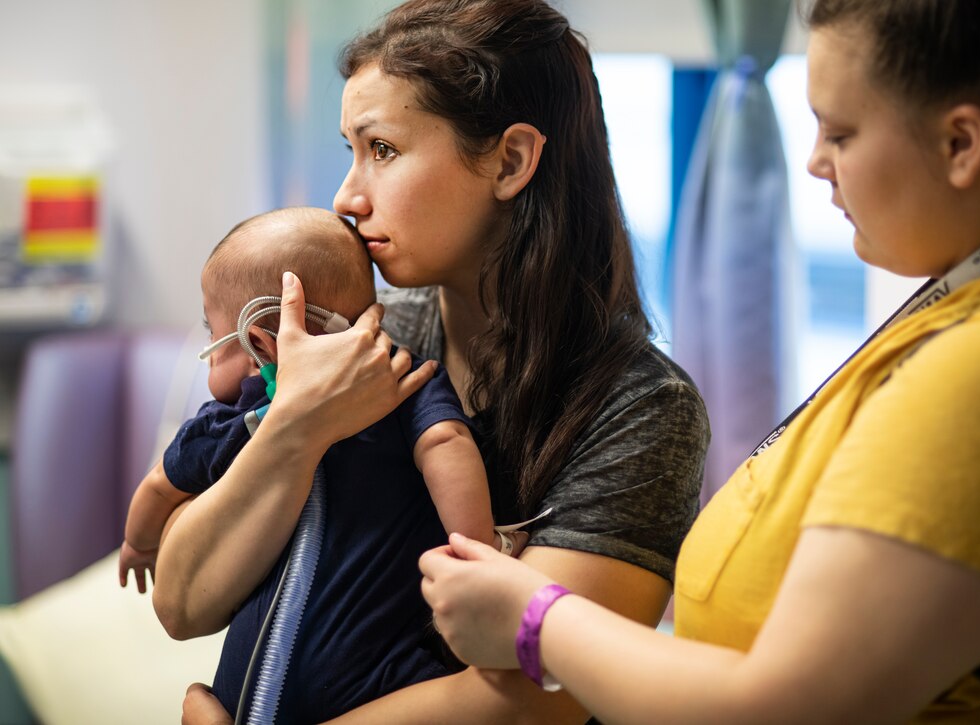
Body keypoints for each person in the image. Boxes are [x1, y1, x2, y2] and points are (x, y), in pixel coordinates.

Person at [416, 0, 980, 722]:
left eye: (841, 132)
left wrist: (536, 619)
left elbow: (786, 706)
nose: (815, 161)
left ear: (961, 143)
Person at [161, 1, 711, 723]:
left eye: (382, 150)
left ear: (510, 160)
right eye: (350, 150)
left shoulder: (642, 408)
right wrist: (293, 424)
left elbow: (531, 703)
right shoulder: (356, 343)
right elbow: (180, 600)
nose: (345, 197)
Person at [123, 206, 498, 722]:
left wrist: (137, 543)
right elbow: (446, 443)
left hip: (370, 691)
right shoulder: (399, 376)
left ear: (257, 340)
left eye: (383, 149)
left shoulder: (238, 419)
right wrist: (477, 545)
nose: (348, 194)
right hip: (300, 691)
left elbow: (159, 487)